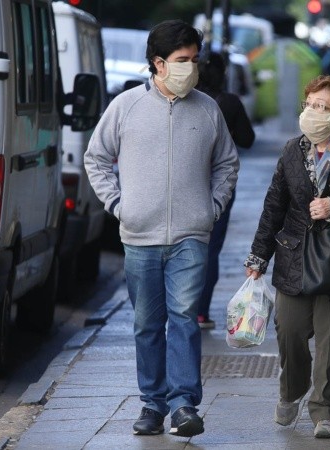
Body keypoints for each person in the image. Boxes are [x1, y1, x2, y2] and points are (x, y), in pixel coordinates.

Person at [84, 20, 239, 438]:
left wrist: (213, 206)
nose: (191, 67)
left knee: (185, 318)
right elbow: (96, 158)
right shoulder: (125, 106)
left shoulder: (208, 109)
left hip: (192, 234)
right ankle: (152, 404)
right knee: (146, 324)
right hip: (139, 237)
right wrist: (118, 205)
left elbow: (227, 163)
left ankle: (184, 404)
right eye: (181, 60)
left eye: (194, 59)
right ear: (158, 63)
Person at [243, 75, 330, 439]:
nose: (311, 111)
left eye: (321, 106)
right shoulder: (293, 151)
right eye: (309, 103)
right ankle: (291, 390)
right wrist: (258, 257)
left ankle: (325, 410)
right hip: (294, 255)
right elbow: (274, 205)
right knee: (289, 331)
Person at [195, 52, 255, 329]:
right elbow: (248, 139)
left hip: (187, 182)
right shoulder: (228, 103)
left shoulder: (186, 101)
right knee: (211, 249)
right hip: (219, 184)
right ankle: (200, 311)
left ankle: (180, 309)